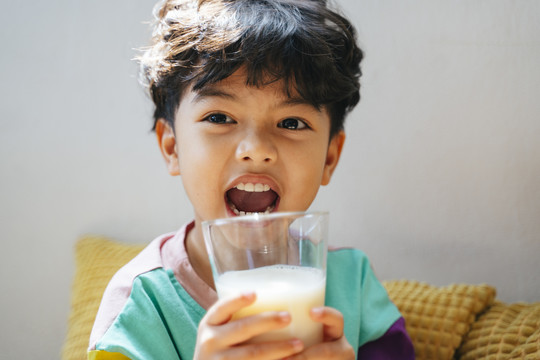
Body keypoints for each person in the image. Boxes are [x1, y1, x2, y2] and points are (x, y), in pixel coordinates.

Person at [88, 0, 415, 359]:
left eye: (291, 123)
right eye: (219, 117)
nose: (256, 149)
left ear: (329, 158)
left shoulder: (351, 280)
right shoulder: (139, 306)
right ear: (172, 147)